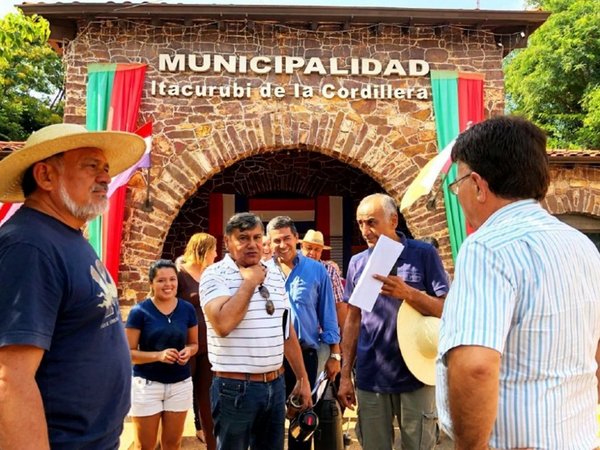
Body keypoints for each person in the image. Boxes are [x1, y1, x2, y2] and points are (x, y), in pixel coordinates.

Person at [436, 116, 600, 449]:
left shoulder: (487, 247)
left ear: (479, 185)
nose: (459, 196)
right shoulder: (582, 245)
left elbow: (475, 367)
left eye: (457, 186)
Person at [0, 123, 145, 449]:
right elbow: (10, 379)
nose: (106, 178)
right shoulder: (29, 247)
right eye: (91, 166)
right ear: (46, 177)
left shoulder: (64, 235)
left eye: (106, 169)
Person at [338, 193, 449, 450]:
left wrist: (408, 293)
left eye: (372, 222)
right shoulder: (358, 263)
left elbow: (446, 310)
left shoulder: (423, 254)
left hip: (416, 374)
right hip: (371, 376)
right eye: (360, 223)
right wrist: (345, 376)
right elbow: (353, 320)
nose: (365, 230)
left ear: (393, 220)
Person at [199, 212, 313, 450]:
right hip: (234, 389)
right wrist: (249, 283)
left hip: (275, 385)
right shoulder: (214, 274)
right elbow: (222, 324)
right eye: (243, 238)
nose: (252, 244)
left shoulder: (273, 274)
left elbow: (286, 331)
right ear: (228, 241)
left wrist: (302, 379)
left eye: (256, 237)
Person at [267, 217, 341, 450]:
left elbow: (329, 315)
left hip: (305, 356)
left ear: (296, 239)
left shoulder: (317, 270)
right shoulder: (261, 272)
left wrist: (335, 355)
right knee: (269, 424)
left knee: (302, 424)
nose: (282, 244)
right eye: (276, 240)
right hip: (270, 358)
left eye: (287, 238)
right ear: (269, 243)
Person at [126, 259, 199, 450]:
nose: (168, 285)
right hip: (147, 386)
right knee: (145, 446)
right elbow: (129, 353)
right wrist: (158, 356)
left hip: (180, 385)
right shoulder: (139, 311)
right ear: (151, 283)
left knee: (172, 444)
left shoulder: (187, 309)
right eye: (161, 280)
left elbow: (194, 344)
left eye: (172, 279)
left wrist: (188, 351)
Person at [176, 232, 218, 450]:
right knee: (179, 396)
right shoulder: (179, 274)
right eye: (214, 250)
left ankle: (213, 445)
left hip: (208, 345)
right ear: (203, 250)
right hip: (185, 345)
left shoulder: (211, 274)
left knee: (208, 399)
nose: (216, 254)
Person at [299, 229, 348, 365]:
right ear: (301, 247)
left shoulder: (330, 271)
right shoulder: (293, 268)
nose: (312, 253)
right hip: (297, 338)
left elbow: (339, 306)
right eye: (309, 248)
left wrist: (344, 338)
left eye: (317, 250)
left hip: (323, 339)